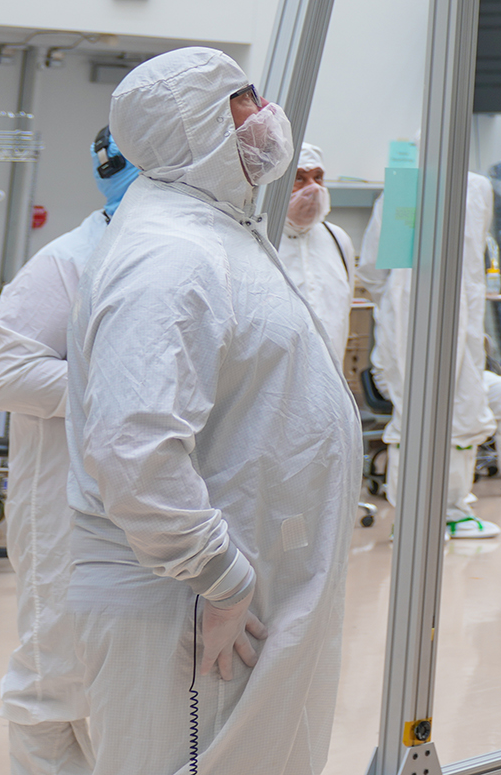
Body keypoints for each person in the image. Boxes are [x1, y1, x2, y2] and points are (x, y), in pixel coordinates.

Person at [62, 48, 358, 774]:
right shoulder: (170, 253)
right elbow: (136, 448)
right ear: (191, 123)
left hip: (240, 594)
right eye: (243, 101)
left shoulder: (217, 232)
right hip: (192, 605)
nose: (266, 116)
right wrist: (220, 577)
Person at [0, 128, 137, 775]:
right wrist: (124, 386)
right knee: (52, 686)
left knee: (112, 695)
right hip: (62, 520)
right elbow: (8, 377)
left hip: (129, 516)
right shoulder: (65, 263)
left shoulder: (152, 258)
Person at [361, 170, 501, 543]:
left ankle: (451, 511)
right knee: (417, 418)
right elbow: (375, 269)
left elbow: (376, 269)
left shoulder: (470, 187)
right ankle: (417, 517)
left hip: (454, 326)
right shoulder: (408, 188)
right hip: (408, 331)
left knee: (465, 413)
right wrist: (399, 304)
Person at [274, 144, 357, 350]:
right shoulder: (262, 238)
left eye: (318, 177)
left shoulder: (337, 239)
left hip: (331, 371)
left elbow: (344, 308)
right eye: (299, 178)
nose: (313, 189)